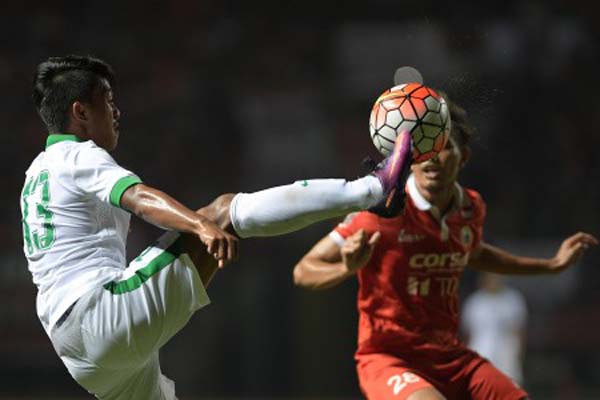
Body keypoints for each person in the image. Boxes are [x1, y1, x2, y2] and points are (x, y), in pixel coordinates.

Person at [22, 55, 415, 399]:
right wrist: (201, 225)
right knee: (224, 210)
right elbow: (139, 198)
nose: (116, 111)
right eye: (107, 101)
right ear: (81, 112)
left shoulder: (36, 173)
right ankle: (373, 190)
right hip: (100, 313)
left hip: (72, 346)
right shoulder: (78, 156)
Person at [293, 96, 598, 400]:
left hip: (451, 358)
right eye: (424, 150)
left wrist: (550, 265)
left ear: (463, 157)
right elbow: (303, 271)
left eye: (443, 149)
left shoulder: (470, 207)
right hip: (389, 359)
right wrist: (347, 266)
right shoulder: (381, 212)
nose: (432, 159)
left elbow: (474, 253)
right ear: (409, 159)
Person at [462, 272, 528, 385]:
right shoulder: (474, 301)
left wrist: (519, 356)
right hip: (481, 352)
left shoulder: (513, 299)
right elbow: (468, 334)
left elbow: (519, 331)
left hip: (507, 355)